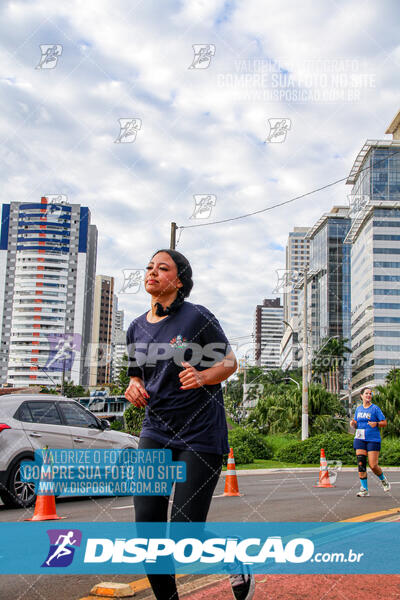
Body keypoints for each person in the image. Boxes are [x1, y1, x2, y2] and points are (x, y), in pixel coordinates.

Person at [125, 249, 255, 600]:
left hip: (200, 436)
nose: (152, 272)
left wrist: (203, 376)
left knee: (185, 536)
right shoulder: (136, 327)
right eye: (149, 267)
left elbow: (229, 364)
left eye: (162, 268)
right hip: (155, 431)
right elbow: (136, 378)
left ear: (178, 280)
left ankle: (232, 557)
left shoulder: (196, 317)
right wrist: (133, 386)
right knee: (147, 534)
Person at [350, 386, 391, 497]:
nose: (369, 395)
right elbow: (356, 423)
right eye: (366, 393)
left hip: (373, 439)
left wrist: (376, 424)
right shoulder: (358, 409)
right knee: (361, 463)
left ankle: (383, 480)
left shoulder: (375, 409)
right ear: (361, 396)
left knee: (373, 465)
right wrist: (353, 424)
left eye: (370, 393)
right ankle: (364, 489)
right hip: (359, 438)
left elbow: (384, 422)